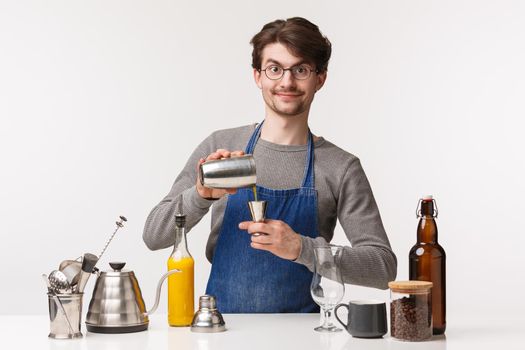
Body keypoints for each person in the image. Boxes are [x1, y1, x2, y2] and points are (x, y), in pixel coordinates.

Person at [143, 17, 397, 313]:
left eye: (300, 69)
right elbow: (153, 235)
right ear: (258, 76)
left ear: (320, 78)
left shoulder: (340, 167)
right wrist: (200, 195)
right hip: (222, 330)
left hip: (305, 337)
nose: (287, 82)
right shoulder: (220, 146)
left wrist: (304, 249)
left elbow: (383, 268)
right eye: (275, 69)